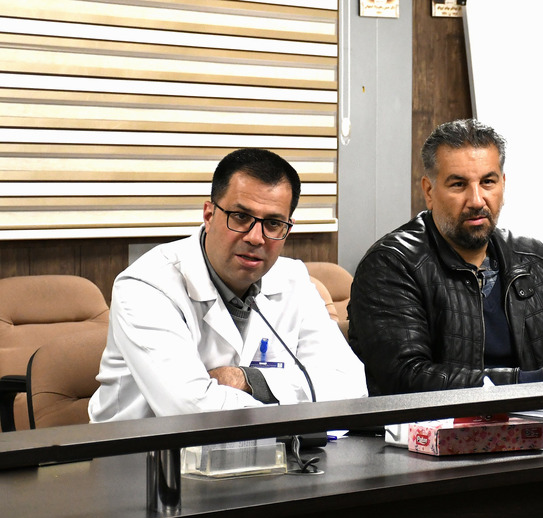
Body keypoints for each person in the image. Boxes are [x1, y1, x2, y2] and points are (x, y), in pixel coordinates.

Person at [89, 148, 367, 422]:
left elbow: (351, 388)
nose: (256, 237)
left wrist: (248, 380)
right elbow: (192, 413)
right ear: (209, 215)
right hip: (143, 449)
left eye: (273, 223)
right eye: (241, 217)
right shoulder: (146, 286)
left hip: (271, 448)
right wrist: (295, 399)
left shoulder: (293, 278)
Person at [348, 119, 543, 396]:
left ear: (503, 184)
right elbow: (407, 378)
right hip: (437, 424)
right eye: (458, 184)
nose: (476, 200)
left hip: (538, 419)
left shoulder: (535, 259)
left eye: (487, 182)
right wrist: (538, 381)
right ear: (429, 191)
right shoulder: (390, 264)